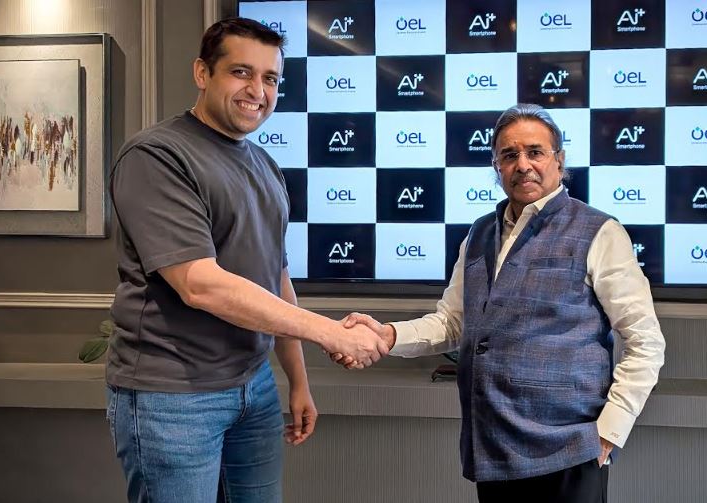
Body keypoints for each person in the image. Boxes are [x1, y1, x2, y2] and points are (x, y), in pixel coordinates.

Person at [106, 18, 388, 503]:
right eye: (241, 72)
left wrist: (297, 380)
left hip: (253, 387)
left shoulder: (265, 165)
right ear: (202, 73)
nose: (258, 91)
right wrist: (330, 332)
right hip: (172, 395)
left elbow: (275, 277)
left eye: (270, 78)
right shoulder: (157, 156)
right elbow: (200, 283)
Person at [337, 104, 666, 502]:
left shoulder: (601, 232)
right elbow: (453, 323)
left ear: (559, 161)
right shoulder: (479, 234)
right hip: (492, 450)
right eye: (509, 155)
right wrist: (388, 335)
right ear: (497, 167)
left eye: (535, 152)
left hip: (570, 453)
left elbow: (646, 341)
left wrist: (609, 432)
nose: (523, 165)